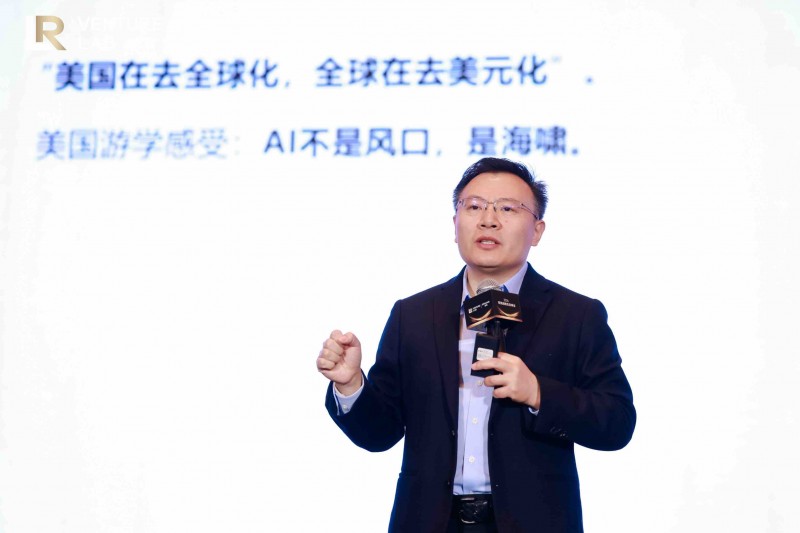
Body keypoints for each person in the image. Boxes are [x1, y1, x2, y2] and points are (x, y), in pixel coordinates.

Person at [316, 157, 635, 533]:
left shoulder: (576, 315)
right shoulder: (413, 315)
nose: (488, 220)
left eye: (508, 208)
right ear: (455, 224)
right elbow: (379, 434)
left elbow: (616, 423)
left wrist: (538, 393)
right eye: (474, 207)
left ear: (537, 230)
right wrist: (352, 385)